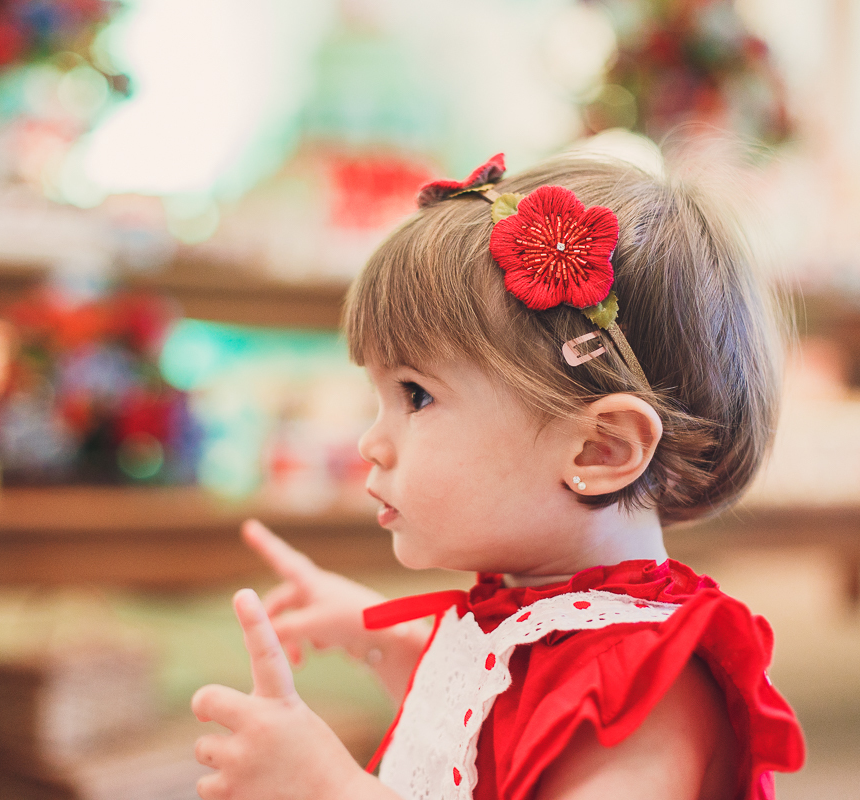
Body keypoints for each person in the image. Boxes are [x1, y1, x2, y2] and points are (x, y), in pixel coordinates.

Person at [190, 152, 806, 800]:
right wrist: (381, 636)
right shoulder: (542, 612)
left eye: (416, 396)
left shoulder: (651, 691)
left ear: (600, 449)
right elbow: (488, 724)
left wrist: (328, 788)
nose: (370, 443)